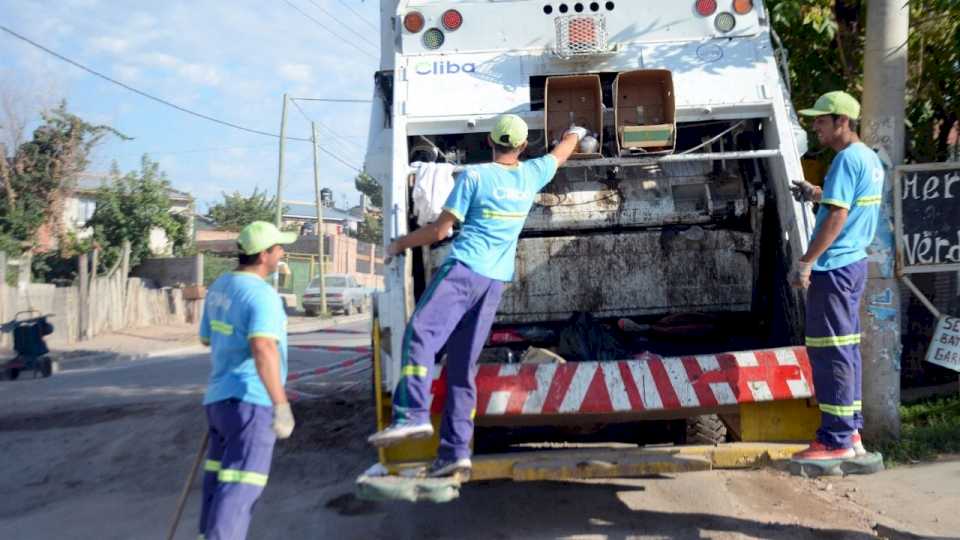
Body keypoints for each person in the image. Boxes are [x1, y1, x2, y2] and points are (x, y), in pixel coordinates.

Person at [367, 114, 587, 477]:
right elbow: (562, 152)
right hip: (493, 283)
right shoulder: (532, 174)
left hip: (464, 270)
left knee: (420, 333)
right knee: (461, 366)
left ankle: (412, 415)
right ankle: (454, 452)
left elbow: (440, 232)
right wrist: (575, 132)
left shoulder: (474, 176)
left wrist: (400, 243)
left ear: (489, 141)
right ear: (522, 145)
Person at [789, 91, 884, 461]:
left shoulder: (845, 160)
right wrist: (816, 193)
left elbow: (837, 217)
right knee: (844, 350)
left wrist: (807, 261)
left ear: (842, 121)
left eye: (821, 120)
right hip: (852, 265)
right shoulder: (867, 159)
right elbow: (845, 203)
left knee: (831, 353)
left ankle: (835, 440)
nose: (816, 126)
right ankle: (850, 434)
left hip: (834, 268)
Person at [197, 221, 297, 539]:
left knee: (219, 481)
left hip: (218, 402)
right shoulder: (262, 296)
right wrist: (281, 405)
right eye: (279, 248)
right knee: (242, 486)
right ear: (264, 254)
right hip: (250, 403)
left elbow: (205, 338)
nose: (282, 253)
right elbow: (263, 347)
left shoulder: (220, 287)